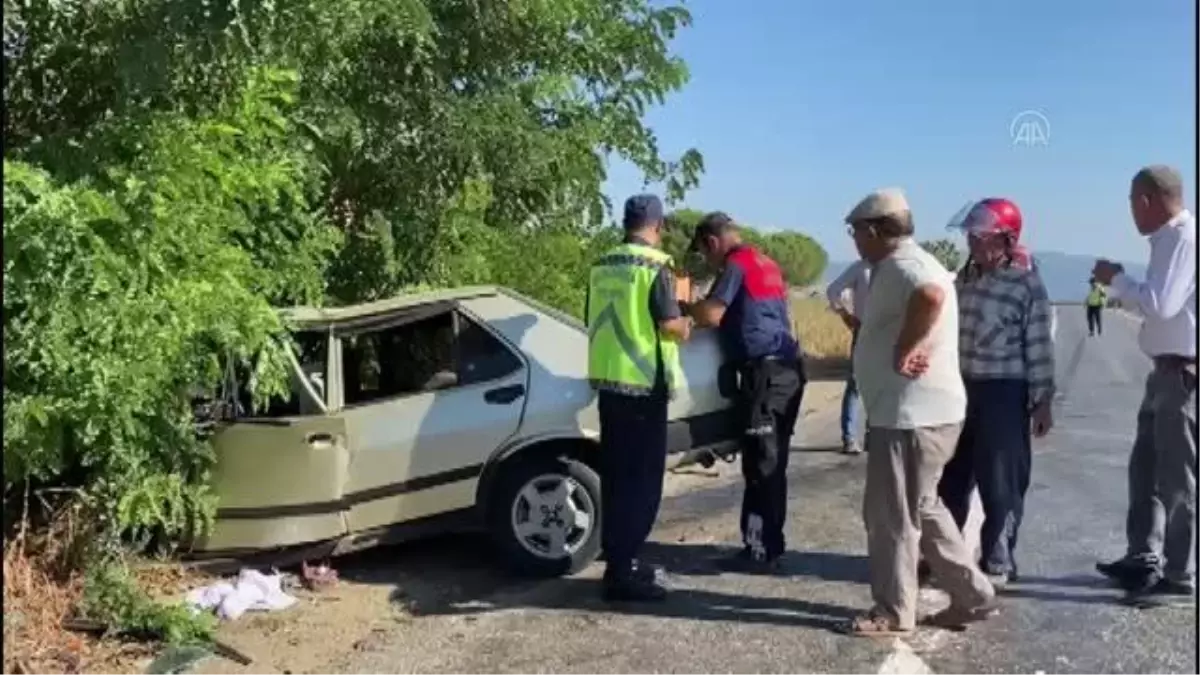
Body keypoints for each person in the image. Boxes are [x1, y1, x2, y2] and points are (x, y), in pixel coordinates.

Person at [841, 187, 996, 636]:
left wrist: (905, 348)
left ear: (873, 230)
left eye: (856, 231)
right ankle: (974, 596)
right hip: (926, 413)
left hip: (910, 416)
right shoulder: (909, 263)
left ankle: (892, 611)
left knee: (891, 515)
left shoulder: (903, 266)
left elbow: (930, 297)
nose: (854, 240)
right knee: (923, 507)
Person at [938, 197, 1056, 589]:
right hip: (960, 389)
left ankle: (998, 557)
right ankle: (944, 556)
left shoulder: (1026, 285)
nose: (972, 242)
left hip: (1004, 393)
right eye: (970, 235)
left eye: (981, 236)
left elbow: (1039, 345)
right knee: (951, 477)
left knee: (1001, 480)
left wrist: (1042, 400)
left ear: (1006, 240)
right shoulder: (964, 280)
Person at [1093, 165, 1196, 597]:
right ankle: (1144, 556)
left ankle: (1179, 574)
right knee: (1146, 470)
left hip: (1182, 375)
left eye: (1132, 202)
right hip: (1165, 372)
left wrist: (1115, 279)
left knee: (1177, 478)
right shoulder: (1168, 240)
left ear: (1147, 200)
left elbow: (1160, 304)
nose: (1131, 212)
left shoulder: (1180, 239)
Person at [585, 194, 693, 602]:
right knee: (643, 483)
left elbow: (590, 318)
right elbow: (668, 323)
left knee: (616, 478)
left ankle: (620, 561)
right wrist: (685, 326)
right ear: (658, 226)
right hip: (645, 388)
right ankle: (622, 573)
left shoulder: (600, 265)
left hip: (608, 385)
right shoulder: (656, 266)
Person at [684, 212, 805, 573]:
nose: (709, 261)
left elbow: (711, 316)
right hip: (787, 370)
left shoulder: (735, 266)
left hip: (765, 374)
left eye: (706, 254)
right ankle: (766, 543)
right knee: (772, 460)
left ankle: (762, 549)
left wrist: (686, 305)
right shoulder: (765, 261)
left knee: (761, 463)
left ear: (711, 242)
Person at [826, 259, 872, 455]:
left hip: (890, 333)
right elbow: (833, 290)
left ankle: (874, 435)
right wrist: (845, 315)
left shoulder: (894, 265)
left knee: (883, 386)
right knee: (856, 385)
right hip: (864, 331)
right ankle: (849, 437)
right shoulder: (861, 267)